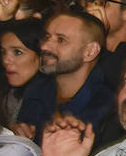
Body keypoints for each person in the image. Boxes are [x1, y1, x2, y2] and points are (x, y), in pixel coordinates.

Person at [16, 12, 115, 140]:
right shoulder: (38, 87)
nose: (45, 46)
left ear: (90, 52)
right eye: (46, 37)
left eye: (61, 40)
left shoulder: (107, 106)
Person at [0, 21, 52, 131]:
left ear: (42, 55)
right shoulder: (0, 88)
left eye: (17, 52)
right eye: (3, 52)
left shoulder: (49, 102)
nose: (5, 60)